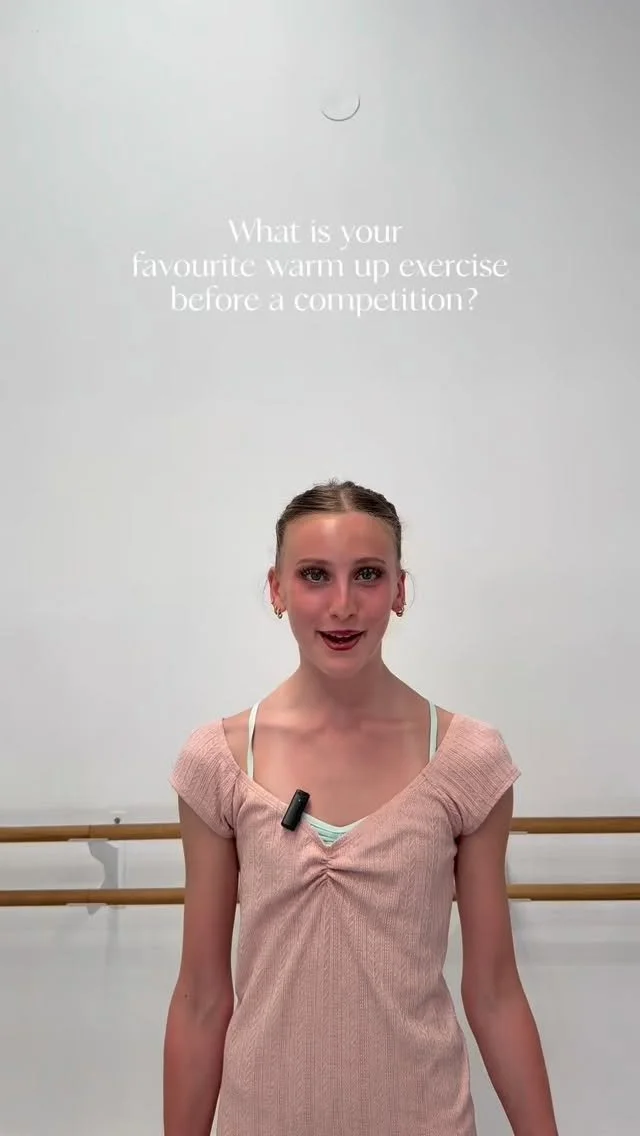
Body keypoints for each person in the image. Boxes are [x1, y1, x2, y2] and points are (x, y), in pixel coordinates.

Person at [163, 479, 558, 1136]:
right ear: (277, 589)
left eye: (368, 575)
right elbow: (202, 999)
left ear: (400, 589)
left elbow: (494, 992)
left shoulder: (468, 760)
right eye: (315, 575)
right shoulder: (218, 761)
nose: (342, 604)